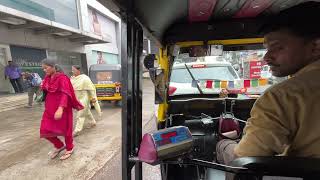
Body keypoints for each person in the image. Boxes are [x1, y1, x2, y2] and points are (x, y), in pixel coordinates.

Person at [216, 0, 320, 172]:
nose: (266, 57)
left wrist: (223, 145)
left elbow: (243, 162)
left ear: (316, 46)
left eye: (277, 47)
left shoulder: (284, 97)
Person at [40, 59, 83, 160]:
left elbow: (65, 94)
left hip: (62, 108)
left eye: (46, 68)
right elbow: (45, 89)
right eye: (43, 68)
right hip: (49, 108)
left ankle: (69, 148)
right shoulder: (47, 77)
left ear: (53, 66)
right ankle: (59, 145)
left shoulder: (63, 78)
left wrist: (60, 108)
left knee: (66, 130)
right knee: (44, 129)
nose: (44, 70)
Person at [70, 65, 101, 137]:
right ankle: (93, 122)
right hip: (76, 98)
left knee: (80, 114)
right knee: (86, 111)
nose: (72, 71)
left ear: (78, 70)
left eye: (73, 70)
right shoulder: (72, 79)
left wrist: (93, 97)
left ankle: (77, 131)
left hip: (84, 98)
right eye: (72, 70)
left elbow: (91, 88)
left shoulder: (85, 78)